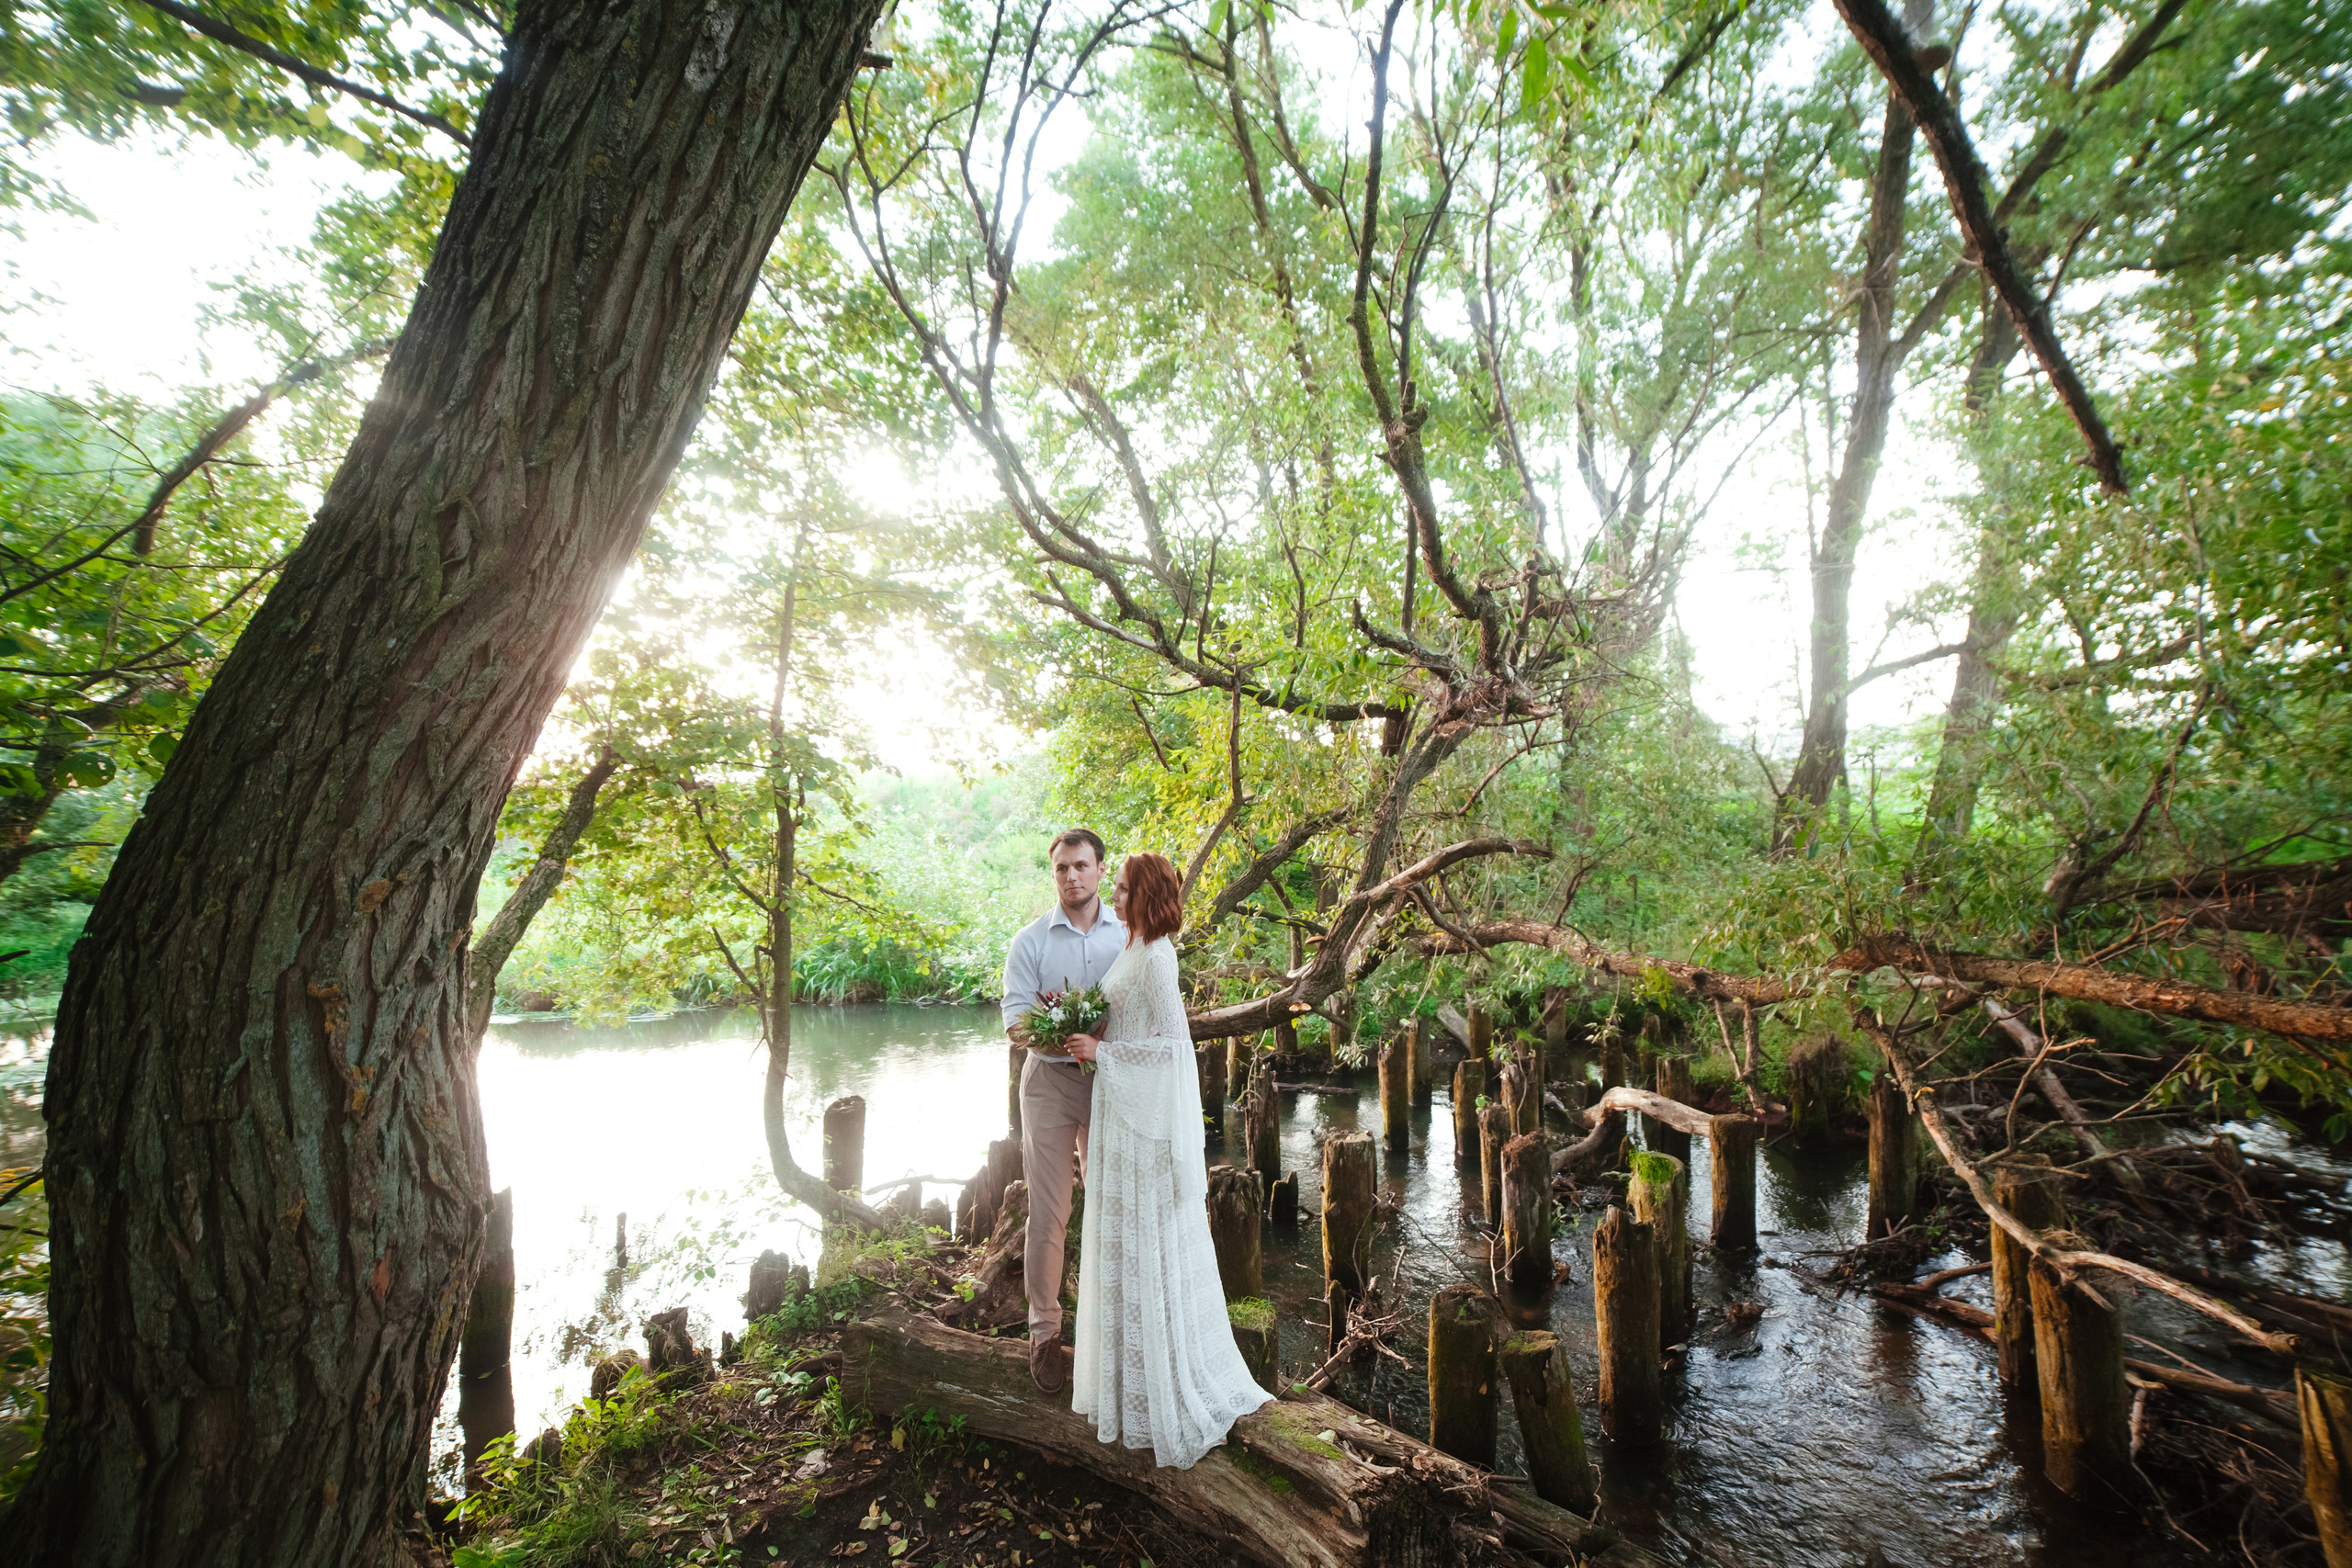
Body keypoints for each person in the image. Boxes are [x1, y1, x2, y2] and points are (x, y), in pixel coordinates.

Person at [1063, 852, 1272, 1467]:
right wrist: (1091, 1039)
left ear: (1147, 894)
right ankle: (1128, 1388)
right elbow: (1134, 1032)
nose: (1116, 896)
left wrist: (1102, 1053)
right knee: (1123, 1242)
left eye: (1125, 888)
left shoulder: (1157, 957)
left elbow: (1175, 1053)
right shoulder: (1134, 946)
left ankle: (1165, 1389)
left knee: (1149, 1244)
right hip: (1121, 1118)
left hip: (1142, 1128)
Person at [1001, 828, 1125, 1394]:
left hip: (1111, 1086)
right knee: (1049, 1213)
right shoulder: (1029, 942)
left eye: (1081, 865)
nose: (1071, 876)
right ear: (1053, 876)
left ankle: (1112, 1332)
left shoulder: (1129, 936)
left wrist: (1102, 1040)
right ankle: (1045, 1334)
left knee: (1113, 1206)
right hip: (1048, 1087)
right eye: (1061, 869)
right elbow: (1015, 1023)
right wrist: (1061, 1037)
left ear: (1101, 869)